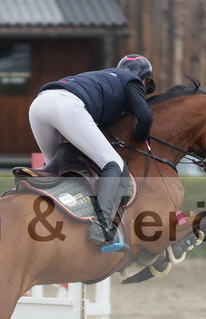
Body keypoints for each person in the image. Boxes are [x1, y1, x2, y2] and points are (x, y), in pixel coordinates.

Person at [27, 54, 156, 252]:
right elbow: (145, 117)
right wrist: (140, 137)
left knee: (53, 168)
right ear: (144, 79)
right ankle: (101, 229)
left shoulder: (104, 77)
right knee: (114, 164)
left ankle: (46, 213)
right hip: (66, 105)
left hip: (39, 104)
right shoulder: (132, 81)